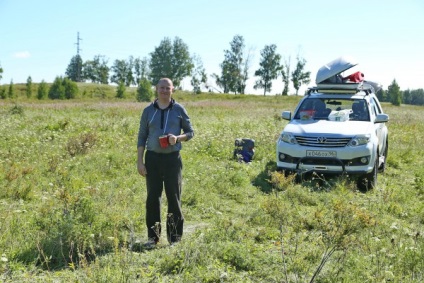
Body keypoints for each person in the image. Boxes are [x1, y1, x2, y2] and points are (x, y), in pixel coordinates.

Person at [137, 78, 194, 247]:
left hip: (172, 160)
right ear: (156, 89)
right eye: (161, 87)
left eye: (167, 88)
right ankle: (152, 238)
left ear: (172, 90)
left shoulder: (178, 110)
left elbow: (190, 132)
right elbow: (141, 136)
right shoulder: (148, 111)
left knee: (174, 197)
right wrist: (140, 162)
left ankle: (174, 238)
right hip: (152, 159)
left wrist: (177, 138)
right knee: (153, 198)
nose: (164, 91)